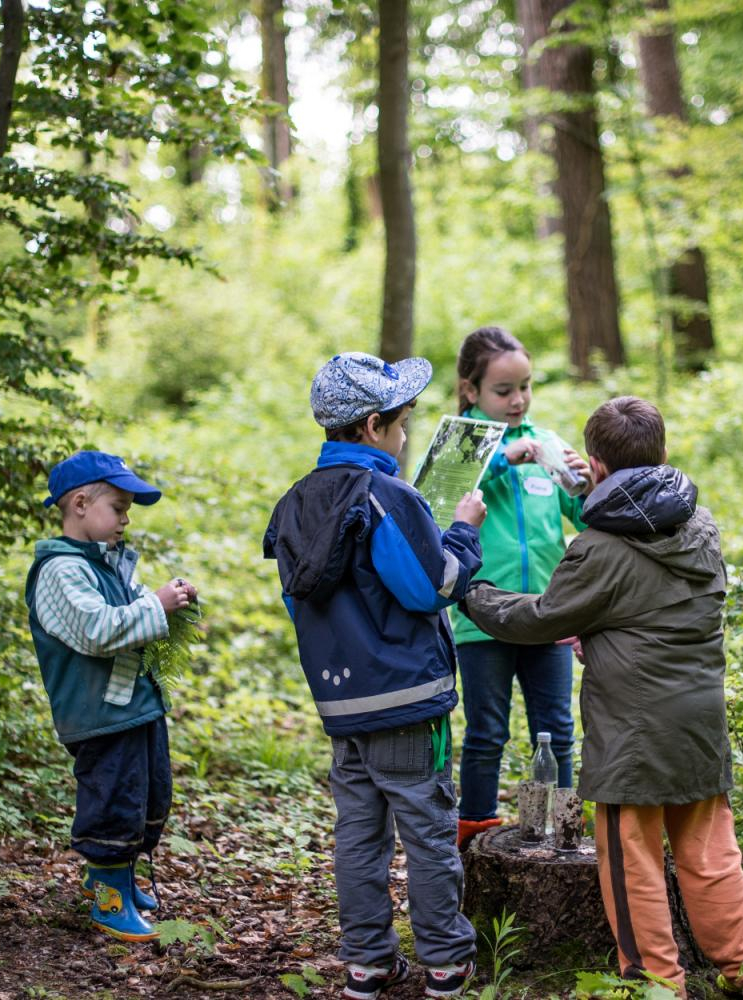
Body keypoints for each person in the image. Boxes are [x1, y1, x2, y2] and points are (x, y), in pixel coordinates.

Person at [460, 397, 743, 997]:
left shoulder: (597, 548)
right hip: (700, 721)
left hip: (631, 734)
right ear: (660, 455)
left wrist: (474, 595)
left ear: (597, 467)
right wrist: (606, 631)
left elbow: (542, 618)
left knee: (631, 867)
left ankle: (658, 984)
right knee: (712, 856)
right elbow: (659, 609)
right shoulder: (701, 524)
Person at [263, 352, 486, 1000]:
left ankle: (367, 961)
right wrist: (463, 534)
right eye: (403, 422)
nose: (406, 433)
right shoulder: (387, 495)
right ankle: (445, 960)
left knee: (358, 834)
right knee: (426, 830)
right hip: (409, 702)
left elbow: (299, 601)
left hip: (343, 706)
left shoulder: (294, 505)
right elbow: (431, 585)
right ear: (371, 426)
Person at [24, 450, 199, 943]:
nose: (125, 520)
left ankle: (122, 879)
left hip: (135, 706)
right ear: (80, 502)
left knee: (149, 794)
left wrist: (173, 601)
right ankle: (108, 895)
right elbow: (96, 630)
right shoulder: (60, 570)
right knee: (113, 801)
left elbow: (139, 610)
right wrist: (156, 604)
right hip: (100, 713)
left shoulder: (108, 564)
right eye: (118, 507)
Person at [448, 326, 592, 847]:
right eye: (503, 391)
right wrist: (502, 460)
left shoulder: (548, 442)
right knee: (486, 733)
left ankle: (563, 834)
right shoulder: (462, 444)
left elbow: (582, 514)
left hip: (547, 611)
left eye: (525, 387)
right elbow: (443, 501)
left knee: (556, 729)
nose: (517, 400)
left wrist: (588, 481)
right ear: (472, 391)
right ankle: (473, 839)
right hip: (481, 613)